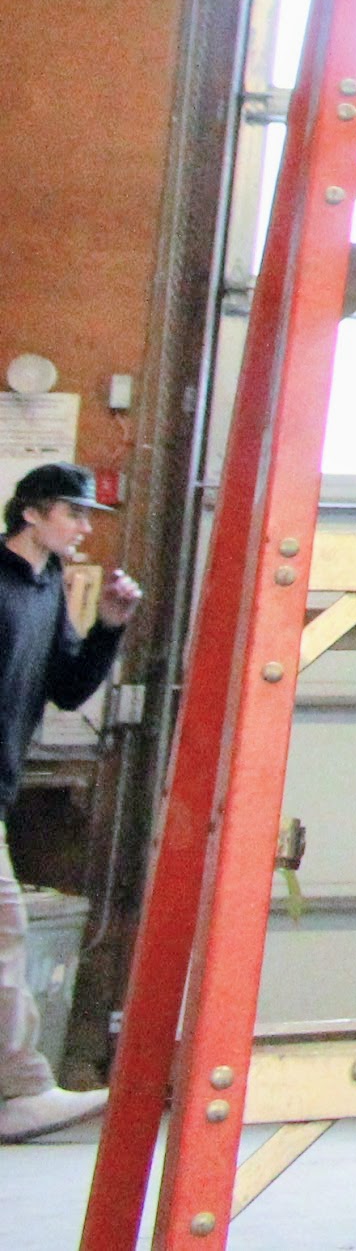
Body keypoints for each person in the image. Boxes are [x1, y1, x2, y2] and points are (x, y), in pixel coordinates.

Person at [1, 464, 136, 1141]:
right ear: (32, 513)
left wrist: (109, 626)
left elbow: (68, 687)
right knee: (4, 931)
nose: (84, 527)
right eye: (73, 513)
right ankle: (19, 1088)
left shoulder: (48, 583)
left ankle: (18, 1088)